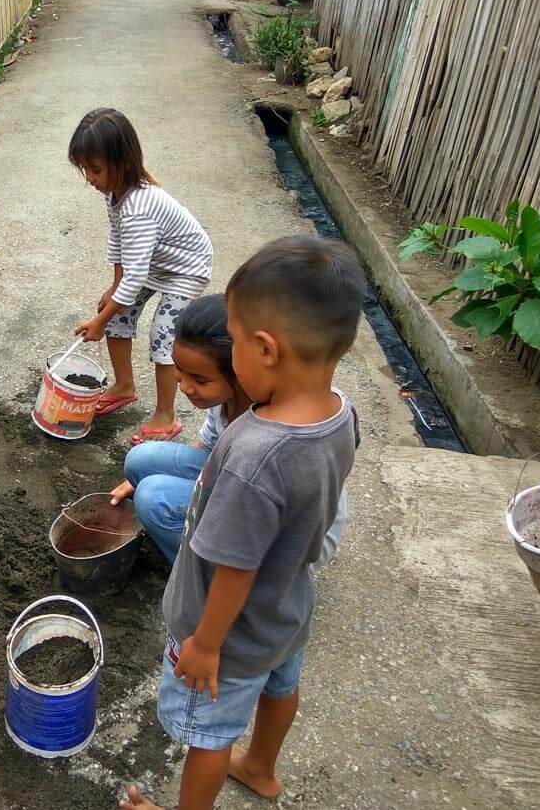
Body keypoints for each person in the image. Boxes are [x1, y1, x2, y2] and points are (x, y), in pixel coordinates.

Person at [121, 234, 366, 810]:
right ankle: (260, 768)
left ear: (265, 349)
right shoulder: (340, 414)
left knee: (207, 736)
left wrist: (205, 644)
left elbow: (235, 564)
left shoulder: (255, 454)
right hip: (286, 609)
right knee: (281, 686)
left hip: (230, 634)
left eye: (234, 341)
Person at [111, 294, 349, 568]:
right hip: (241, 485)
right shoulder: (229, 398)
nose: (184, 387)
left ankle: (200, 574)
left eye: (200, 379)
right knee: (141, 460)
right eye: (179, 369)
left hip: (287, 538)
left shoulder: (274, 432)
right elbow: (207, 445)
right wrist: (140, 477)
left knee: (154, 498)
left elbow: (266, 505)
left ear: (242, 371)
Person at [69, 108, 213, 445]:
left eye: (95, 169)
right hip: (151, 263)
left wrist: (99, 322)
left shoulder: (140, 208)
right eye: (85, 169)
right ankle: (124, 386)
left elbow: (134, 277)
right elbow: (118, 242)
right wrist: (113, 288)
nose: (89, 178)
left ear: (123, 162)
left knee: (164, 333)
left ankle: (166, 414)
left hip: (185, 268)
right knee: (117, 311)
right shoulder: (115, 193)